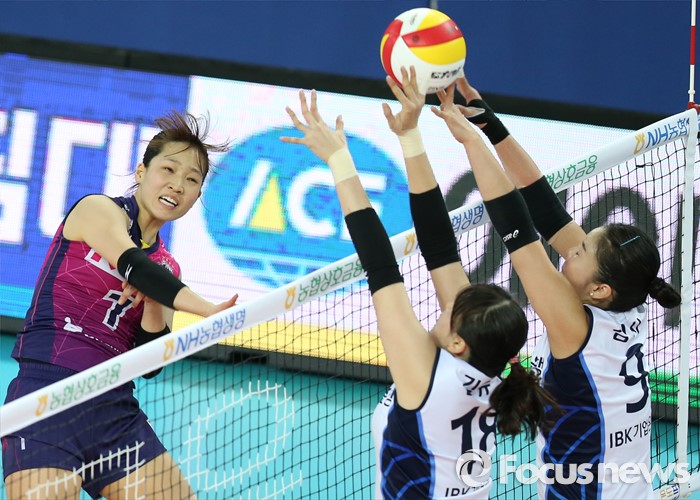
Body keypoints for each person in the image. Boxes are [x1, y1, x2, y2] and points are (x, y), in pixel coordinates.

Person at [281, 69, 557, 500]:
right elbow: (440, 246)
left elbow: (380, 265)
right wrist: (410, 135)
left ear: (458, 341)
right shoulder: (489, 369)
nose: (444, 305)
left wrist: (338, 160)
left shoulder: (425, 378)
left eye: (451, 310)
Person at [431, 77, 682, 499]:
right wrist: (489, 125)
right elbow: (546, 210)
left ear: (599, 290)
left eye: (580, 250)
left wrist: (471, 142)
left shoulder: (575, 327)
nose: (570, 248)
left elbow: (516, 225)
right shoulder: (630, 296)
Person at [2, 111, 239, 500]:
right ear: (142, 171)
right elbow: (134, 265)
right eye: (169, 169)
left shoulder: (167, 270)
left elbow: (150, 365)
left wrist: (154, 302)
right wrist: (207, 310)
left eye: (192, 180)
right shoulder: (96, 210)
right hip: (47, 396)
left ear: (197, 197)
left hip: (114, 413)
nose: (177, 185)